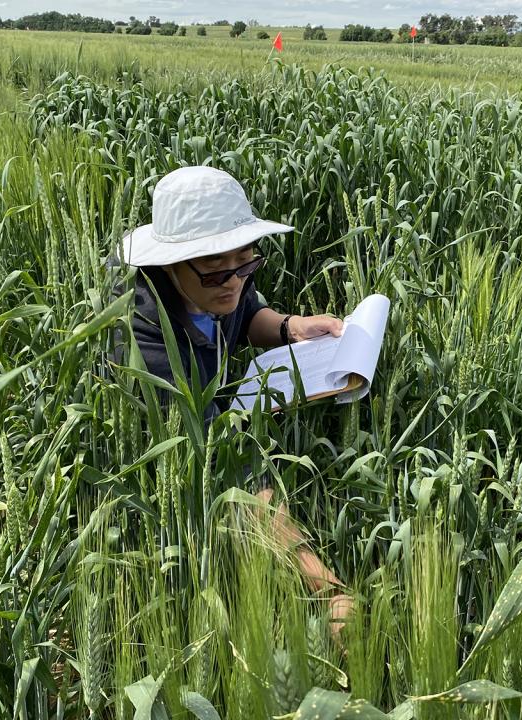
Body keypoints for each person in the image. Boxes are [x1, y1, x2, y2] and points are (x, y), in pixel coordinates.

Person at [118, 165, 353, 631]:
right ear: (169, 264)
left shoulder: (218, 283)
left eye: (246, 264)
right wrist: (323, 584)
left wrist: (290, 326)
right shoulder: (142, 343)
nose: (233, 281)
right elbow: (226, 472)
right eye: (215, 272)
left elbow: (245, 311)